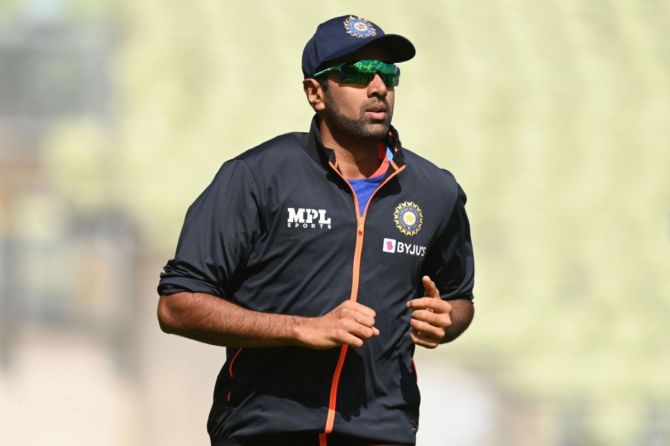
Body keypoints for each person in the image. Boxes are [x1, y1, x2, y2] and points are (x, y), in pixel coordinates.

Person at [157, 14, 475, 446]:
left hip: (381, 433)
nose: (378, 87)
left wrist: (448, 319)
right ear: (315, 92)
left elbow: (458, 300)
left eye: (387, 73)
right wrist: (300, 328)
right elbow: (177, 306)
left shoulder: (436, 190)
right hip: (264, 432)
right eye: (359, 74)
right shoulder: (256, 176)